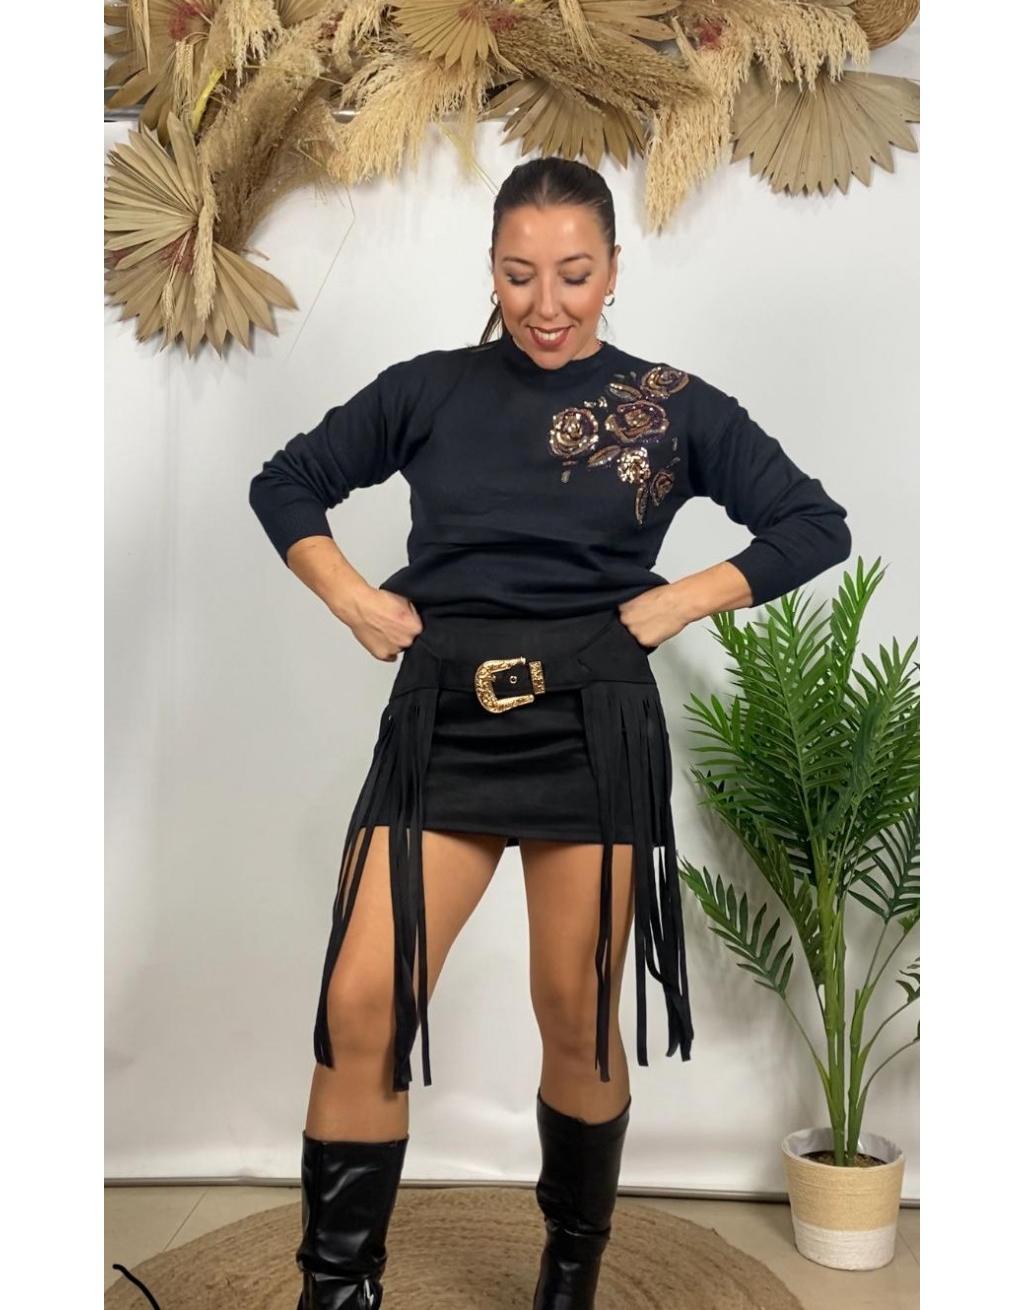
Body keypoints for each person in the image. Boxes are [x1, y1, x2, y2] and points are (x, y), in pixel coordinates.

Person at [249, 156, 851, 1310]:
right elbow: (289, 483)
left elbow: (808, 522)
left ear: (611, 269)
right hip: (441, 722)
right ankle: (337, 1289)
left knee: (576, 1016)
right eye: (518, 273)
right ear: (489, 268)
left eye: (572, 273)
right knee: (361, 1002)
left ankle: (567, 1277)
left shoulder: (670, 404)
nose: (545, 301)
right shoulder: (428, 389)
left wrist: (676, 601)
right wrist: (354, 599)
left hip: (591, 728)